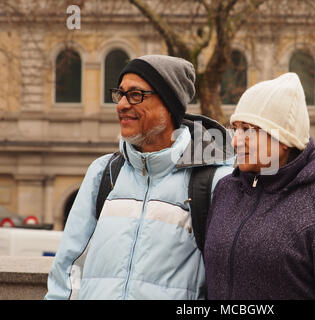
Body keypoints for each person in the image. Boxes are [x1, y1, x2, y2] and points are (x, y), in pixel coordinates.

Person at [45, 55, 234, 300]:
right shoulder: (103, 173)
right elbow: (66, 270)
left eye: (135, 95)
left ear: (168, 103)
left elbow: (225, 282)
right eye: (120, 94)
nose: (122, 104)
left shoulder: (214, 180)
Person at [204, 72, 315, 299]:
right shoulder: (227, 190)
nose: (235, 141)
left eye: (248, 130)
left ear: (282, 140)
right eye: (235, 128)